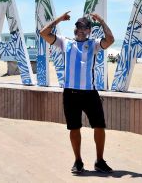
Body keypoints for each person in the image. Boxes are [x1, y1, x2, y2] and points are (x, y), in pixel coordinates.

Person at [40, 11, 114, 174]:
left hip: (90, 93)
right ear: (75, 29)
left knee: (100, 126)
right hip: (70, 94)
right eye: (78, 27)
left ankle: (99, 161)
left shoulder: (94, 44)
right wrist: (59, 19)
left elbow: (110, 40)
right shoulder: (64, 42)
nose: (81, 30)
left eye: (85, 28)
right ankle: (78, 161)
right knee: (74, 128)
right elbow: (43, 33)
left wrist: (101, 20)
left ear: (89, 31)